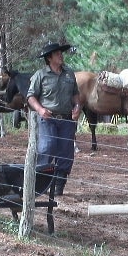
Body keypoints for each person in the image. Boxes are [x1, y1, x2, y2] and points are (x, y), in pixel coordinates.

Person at [26, 41, 82, 196]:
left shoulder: (69, 73)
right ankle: (41, 182)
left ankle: (59, 185)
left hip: (66, 119)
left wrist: (77, 107)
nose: (61, 55)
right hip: (47, 118)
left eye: (61, 53)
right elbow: (30, 96)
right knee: (47, 147)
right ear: (49, 58)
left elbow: (76, 94)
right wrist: (40, 109)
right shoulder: (40, 75)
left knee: (66, 152)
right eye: (57, 54)